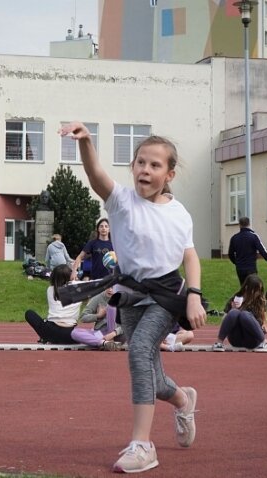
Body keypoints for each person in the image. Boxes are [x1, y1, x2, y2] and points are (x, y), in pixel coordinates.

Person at [60, 121, 206, 473]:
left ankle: (143, 445)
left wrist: (194, 296)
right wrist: (86, 144)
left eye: (155, 165)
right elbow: (96, 177)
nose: (146, 169)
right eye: (141, 162)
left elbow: (190, 256)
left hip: (166, 295)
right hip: (130, 295)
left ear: (169, 174)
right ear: (132, 167)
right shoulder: (122, 202)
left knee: (139, 351)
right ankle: (184, 399)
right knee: (152, 378)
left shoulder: (179, 213)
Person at [25, 265, 123, 350]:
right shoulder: (78, 288)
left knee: (29, 313)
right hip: (68, 334)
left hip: (50, 330)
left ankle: (45, 338)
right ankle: (103, 342)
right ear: (69, 277)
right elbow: (97, 283)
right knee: (81, 334)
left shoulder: (50, 289)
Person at [212, 274, 267, 352]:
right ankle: (218, 343)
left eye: (260, 290)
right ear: (247, 288)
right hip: (236, 339)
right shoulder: (236, 298)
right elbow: (224, 320)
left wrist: (265, 324)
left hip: (253, 339)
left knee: (245, 315)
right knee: (234, 312)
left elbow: (264, 317)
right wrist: (232, 309)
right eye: (256, 290)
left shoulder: (260, 300)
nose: (258, 293)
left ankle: (265, 343)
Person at [227, 216, 267, 285]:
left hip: (240, 269)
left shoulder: (234, 238)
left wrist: (236, 262)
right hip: (251, 268)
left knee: (243, 288)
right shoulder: (253, 236)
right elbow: (263, 251)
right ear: (249, 224)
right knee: (252, 289)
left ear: (239, 225)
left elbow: (230, 254)